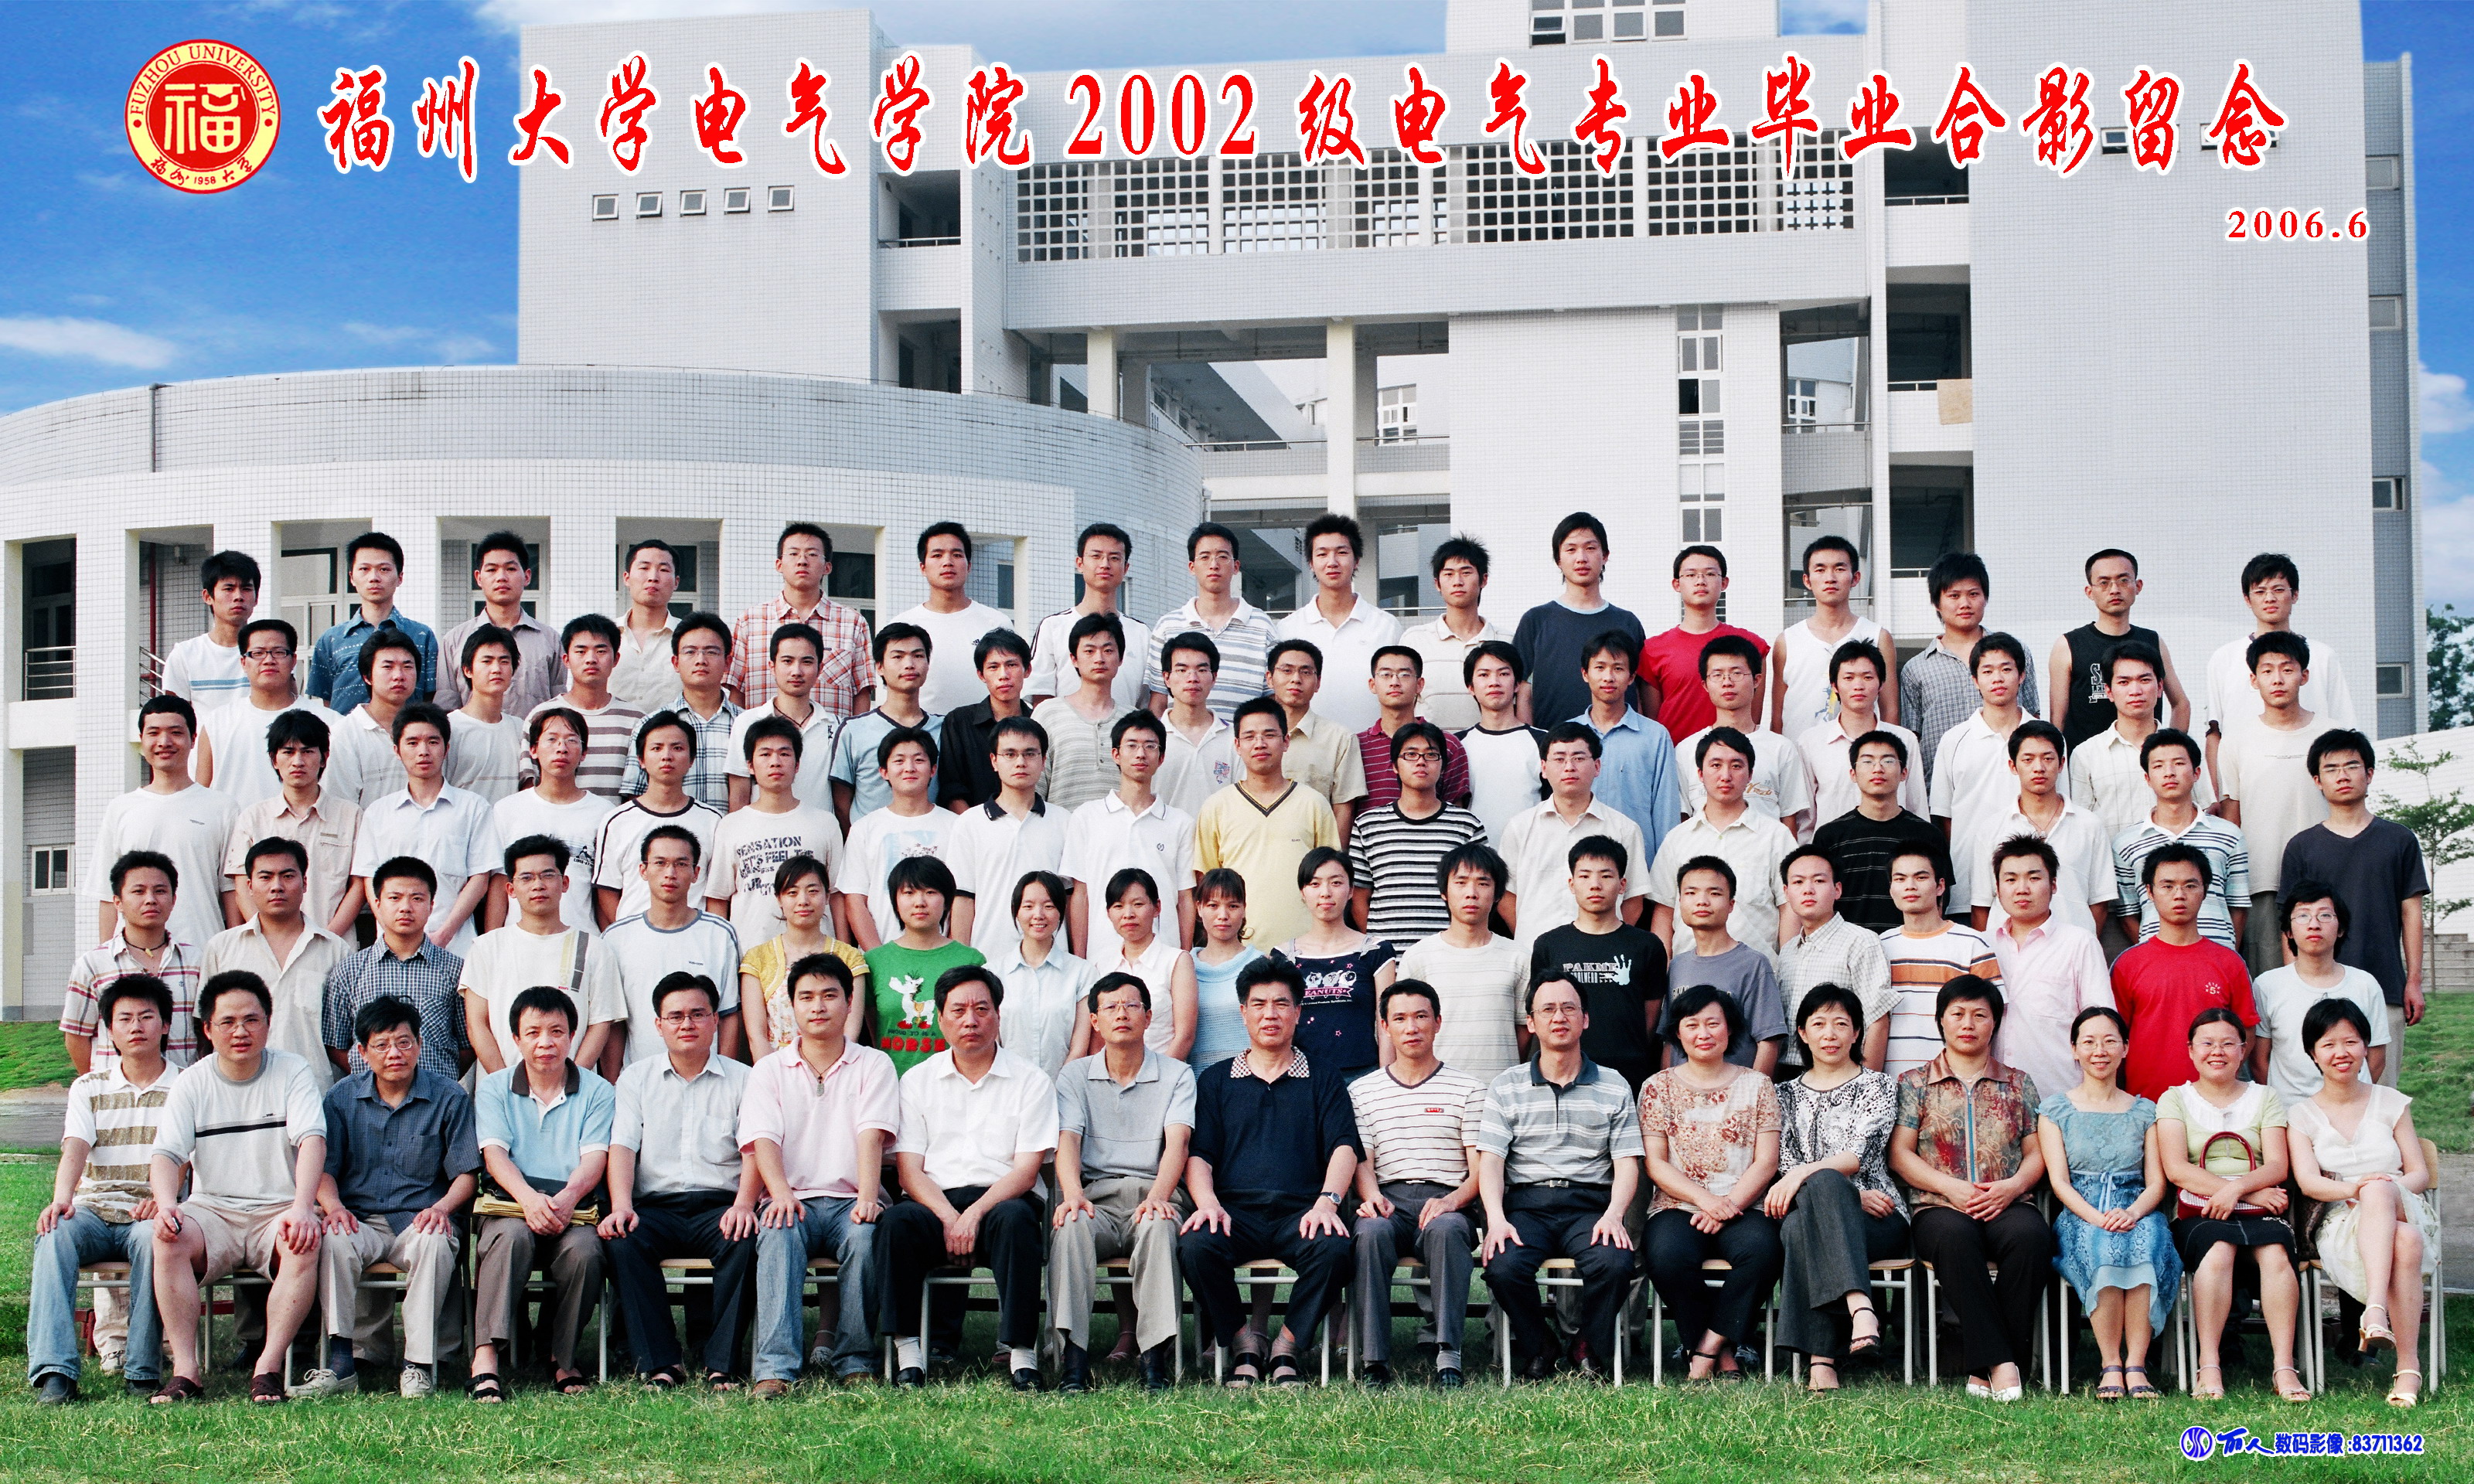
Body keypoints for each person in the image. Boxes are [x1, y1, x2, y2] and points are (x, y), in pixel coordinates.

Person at [144, 970, 329, 1405]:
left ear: (268, 1022)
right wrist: (167, 1205)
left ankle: (268, 1369)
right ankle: (186, 1372)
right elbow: (166, 1155)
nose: (240, 1031)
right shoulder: (193, 1081)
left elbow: (312, 1140)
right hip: (213, 1211)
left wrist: (303, 1207)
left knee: (303, 1240)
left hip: (278, 1209)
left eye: (251, 1020)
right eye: (227, 1022)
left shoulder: (293, 1070)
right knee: (169, 1237)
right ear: (208, 1029)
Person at [1180, 957, 1361, 1389]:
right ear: (1243, 1012)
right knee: (1195, 1246)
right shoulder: (1216, 1080)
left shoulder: (1323, 1077)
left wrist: (1327, 1203)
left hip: (1301, 1212)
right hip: (1234, 1212)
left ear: (1298, 1012)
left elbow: (1344, 1147)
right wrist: (1207, 1203)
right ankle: (1243, 1343)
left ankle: (1286, 1346)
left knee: (1335, 1249)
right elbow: (1199, 1154)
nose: (1270, 1014)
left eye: (1281, 1004)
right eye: (1259, 1004)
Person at [293, 995, 479, 1400]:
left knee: (435, 1242)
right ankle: (341, 1363)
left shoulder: (449, 1097)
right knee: (333, 1238)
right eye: (381, 1045)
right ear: (362, 1052)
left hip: (420, 1219)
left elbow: (466, 1174)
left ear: (419, 1045)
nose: (394, 1053)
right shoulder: (341, 1098)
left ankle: (418, 1366)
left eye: (404, 1042)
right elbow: (324, 1168)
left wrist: (442, 1208)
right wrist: (334, 1207)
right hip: (360, 1219)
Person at [881, 965, 1058, 1389]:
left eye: (982, 1009)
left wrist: (973, 1215)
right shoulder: (917, 1080)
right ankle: (909, 1352)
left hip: (1002, 1199)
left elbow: (1026, 1171)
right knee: (896, 1224)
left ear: (998, 1015)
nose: (971, 1021)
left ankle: (1021, 1354)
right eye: (958, 1011)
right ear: (940, 1020)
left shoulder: (1030, 1081)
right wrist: (949, 1217)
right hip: (934, 1200)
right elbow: (909, 1170)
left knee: (1016, 1222)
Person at [1888, 975, 2052, 1401]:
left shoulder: (2018, 1083)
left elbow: (2037, 1152)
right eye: (1957, 1014)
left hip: (2007, 1201)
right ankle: (2004, 1364)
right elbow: (1901, 1154)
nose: (1968, 1024)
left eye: (1980, 1015)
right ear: (1940, 1020)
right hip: (1938, 1206)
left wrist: (2013, 1187)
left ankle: (1984, 1367)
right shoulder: (1914, 1082)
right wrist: (1951, 1189)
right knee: (1955, 1239)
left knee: (2031, 1238)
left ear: (1994, 1023)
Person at [741, 952, 898, 1393]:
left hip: (852, 1199)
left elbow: (872, 1135)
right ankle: (775, 1368)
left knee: (866, 1239)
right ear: (792, 1005)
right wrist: (780, 1193)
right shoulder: (769, 1069)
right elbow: (763, 1139)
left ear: (849, 1003)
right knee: (777, 1234)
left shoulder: (874, 1064)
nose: (818, 1006)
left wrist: (868, 1197)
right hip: (793, 1199)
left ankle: (855, 1359)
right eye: (806, 997)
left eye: (830, 996)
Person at [1476, 975, 1642, 1382]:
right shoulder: (1506, 1086)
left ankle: (1587, 1344)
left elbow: (1626, 1163)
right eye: (1547, 1009)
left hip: (1590, 1207)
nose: (1559, 1017)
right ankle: (1540, 1345)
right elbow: (1491, 1162)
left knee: (1615, 1262)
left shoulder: (1614, 1084)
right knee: (1503, 1266)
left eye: (1569, 1008)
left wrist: (1615, 1214)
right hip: (1526, 1206)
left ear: (1585, 1019)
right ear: (1531, 1023)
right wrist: (1496, 1219)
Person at [599, 972, 760, 1389]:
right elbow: (623, 1147)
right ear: (658, 1025)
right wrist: (621, 1206)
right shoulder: (636, 1078)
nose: (687, 1024)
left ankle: (721, 1363)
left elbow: (754, 1150)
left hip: (720, 1206)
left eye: (697, 1014)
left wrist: (744, 1204)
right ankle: (662, 1362)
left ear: (715, 1021)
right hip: (656, 1207)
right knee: (623, 1240)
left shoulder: (745, 1078)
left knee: (744, 1240)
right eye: (675, 1016)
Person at [29, 974, 175, 1404]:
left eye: (146, 1016)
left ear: (166, 1024)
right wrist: (61, 1199)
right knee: (54, 1234)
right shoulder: (89, 1087)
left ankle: (143, 1370)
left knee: (155, 1240)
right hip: (92, 1210)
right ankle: (55, 1372)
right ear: (109, 1030)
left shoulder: (187, 1084)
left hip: (149, 1211)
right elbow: (75, 1147)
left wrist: (163, 1200)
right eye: (124, 1019)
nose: (136, 1027)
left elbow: (189, 1156)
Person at [2285, 1000, 2437, 1409]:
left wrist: (2381, 1188)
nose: (2341, 1052)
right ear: (2313, 1053)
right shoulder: (2300, 1115)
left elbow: (2419, 1174)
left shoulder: (2391, 1102)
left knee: (2379, 1192)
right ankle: (2408, 1368)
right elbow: (2309, 1182)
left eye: (2351, 1041)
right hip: (2340, 1221)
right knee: (2405, 1241)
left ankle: (2374, 1311)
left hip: (2403, 1204)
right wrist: (2357, 1189)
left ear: (2366, 1046)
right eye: (2329, 1044)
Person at [1050, 971, 1197, 1391]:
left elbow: (1178, 1142)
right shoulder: (1074, 1076)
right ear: (1095, 1021)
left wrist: (1159, 1196)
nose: (1122, 1014)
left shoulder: (1177, 1074)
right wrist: (1072, 1195)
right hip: (1095, 1199)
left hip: (1154, 1194)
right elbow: (1067, 1140)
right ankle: (1073, 1360)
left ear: (1148, 1017)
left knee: (1157, 1227)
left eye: (1132, 1006)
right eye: (1111, 1007)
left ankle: (1155, 1360)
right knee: (1070, 1226)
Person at [469, 985, 614, 1401]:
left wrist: (565, 1200)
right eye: (533, 1032)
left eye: (556, 1031)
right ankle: (485, 1358)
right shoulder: (494, 1088)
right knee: (510, 1239)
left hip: (574, 1206)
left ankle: (560, 1356)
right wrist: (530, 1201)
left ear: (573, 1036)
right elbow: (495, 1156)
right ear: (516, 1038)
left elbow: (595, 1158)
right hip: (509, 1203)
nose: (545, 1043)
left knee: (586, 1252)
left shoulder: (598, 1090)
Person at [2156, 1007, 2305, 1403]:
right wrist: (2246, 1192)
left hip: (2260, 1212)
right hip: (2201, 1211)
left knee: (2275, 1254)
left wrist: (2236, 1190)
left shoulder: (2265, 1097)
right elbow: (2177, 1169)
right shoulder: (2174, 1099)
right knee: (2219, 1250)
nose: (2217, 1052)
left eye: (2227, 1043)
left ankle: (2284, 1366)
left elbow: (2277, 1165)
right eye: (2206, 1043)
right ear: (2191, 1050)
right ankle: (2209, 1364)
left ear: (2243, 1049)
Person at [1640, 984, 1784, 1382]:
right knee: (1667, 1256)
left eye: (1713, 1023)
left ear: (1729, 1029)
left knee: (1763, 1252)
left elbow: (1767, 1161)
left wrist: (1729, 1204)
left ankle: (1706, 1348)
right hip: (1678, 1205)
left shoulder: (1758, 1085)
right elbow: (1656, 1163)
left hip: (1745, 1204)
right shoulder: (1657, 1087)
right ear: (1678, 1033)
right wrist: (1707, 1201)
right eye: (1692, 1025)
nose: (1703, 1033)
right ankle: (1724, 1356)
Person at [1348, 979, 1486, 1389]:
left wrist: (1453, 1201)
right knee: (1370, 1233)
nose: (1411, 1028)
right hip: (1387, 1197)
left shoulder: (1469, 1089)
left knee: (1447, 1230)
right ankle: (1374, 1360)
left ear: (1438, 1022)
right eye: (1400, 1018)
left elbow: (1481, 1168)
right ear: (1385, 1026)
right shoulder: (1363, 1091)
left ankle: (1448, 1355)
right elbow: (1362, 1160)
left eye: (1421, 1017)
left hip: (1447, 1199)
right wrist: (1372, 1197)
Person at [1766, 984, 1904, 1391]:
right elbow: (1785, 1161)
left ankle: (1821, 1360)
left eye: (1841, 1024)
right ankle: (1860, 1309)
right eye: (1819, 1024)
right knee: (1799, 1224)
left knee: (1809, 1211)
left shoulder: (1879, 1086)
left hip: (1880, 1217)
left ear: (1857, 1033)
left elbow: (1857, 1154)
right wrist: (1848, 1195)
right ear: (1803, 1033)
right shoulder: (1782, 1095)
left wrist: (1805, 1178)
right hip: (1832, 1208)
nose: (1830, 1034)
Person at [2036, 1006, 2178, 1401]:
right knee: (2103, 1246)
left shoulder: (2146, 1111)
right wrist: (2098, 1218)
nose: (2099, 1051)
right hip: (2081, 1212)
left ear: (2125, 1048)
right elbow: (2059, 1182)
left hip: (2137, 1208)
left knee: (2147, 1244)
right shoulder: (2055, 1110)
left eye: (2110, 1041)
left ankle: (2137, 1364)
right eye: (2089, 1042)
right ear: (2074, 1050)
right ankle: (2110, 1363)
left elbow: (2157, 1183)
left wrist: (2132, 1212)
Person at [2280, 729, 2427, 1087]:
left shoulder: (2399, 840)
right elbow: (2289, 923)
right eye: (2331, 769)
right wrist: (2292, 983)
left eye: (2352, 766)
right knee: (2315, 1091)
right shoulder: (2302, 847)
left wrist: (2413, 981)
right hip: (2316, 986)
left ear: (2370, 774)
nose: (2342, 776)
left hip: (2384, 983)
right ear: (2317, 781)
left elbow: (2412, 913)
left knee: (2380, 1090)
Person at [85, 696, 238, 955]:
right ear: (141, 739)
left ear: (193, 739)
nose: (164, 742)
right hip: (133, 959)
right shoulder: (121, 809)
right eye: (154, 733)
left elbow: (231, 892)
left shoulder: (223, 808)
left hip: (203, 953)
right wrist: (105, 960)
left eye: (175, 733)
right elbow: (107, 895)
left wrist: (234, 954)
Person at [2217, 631, 2329, 976]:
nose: (2277, 679)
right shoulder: (2236, 741)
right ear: (2254, 680)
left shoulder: (2331, 736)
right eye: (2267, 671)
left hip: (2324, 881)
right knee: (2268, 985)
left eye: (2287, 669)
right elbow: (2231, 819)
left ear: (2304, 675)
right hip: (2261, 882)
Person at [461, 836, 622, 1074]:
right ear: (511, 889)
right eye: (526, 878)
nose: (538, 885)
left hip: (572, 1090)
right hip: (500, 1088)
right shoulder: (486, 947)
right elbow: (477, 1025)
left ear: (565, 883)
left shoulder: (594, 949)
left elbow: (600, 1024)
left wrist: (571, 1083)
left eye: (548, 875)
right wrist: (504, 1085)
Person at [588, 825, 744, 1070]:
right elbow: (614, 1023)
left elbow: (729, 1016)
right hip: (640, 1080)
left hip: (708, 1078)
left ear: (696, 873)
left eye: (681, 864)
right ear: (643, 870)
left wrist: (726, 1077)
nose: (670, 873)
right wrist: (615, 1083)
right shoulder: (616, 938)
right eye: (660, 863)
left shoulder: (720, 934)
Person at [2112, 845, 2259, 1102]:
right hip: (2145, 1104)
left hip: (2213, 1105)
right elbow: (2115, 1036)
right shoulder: (2128, 964)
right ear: (2149, 892)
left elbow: (2246, 1031)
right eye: (2167, 886)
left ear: (2205, 891)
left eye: (2190, 886)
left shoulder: (2229, 962)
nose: (2179, 895)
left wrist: (2218, 1079)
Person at [1194, 695, 1342, 950]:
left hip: (1305, 947)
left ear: (1286, 742)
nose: (1260, 744)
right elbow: (1206, 882)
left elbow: (1332, 878)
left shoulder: (1313, 804)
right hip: (1238, 951)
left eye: (1269, 735)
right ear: (1237, 745)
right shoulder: (1216, 807)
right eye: (1249, 736)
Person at [352, 704, 500, 953]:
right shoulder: (378, 813)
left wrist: (443, 935)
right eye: (412, 743)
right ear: (397, 751)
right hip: (390, 950)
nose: (423, 751)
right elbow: (369, 879)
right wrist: (394, 934)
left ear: (446, 748)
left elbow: (480, 878)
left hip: (455, 947)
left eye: (433, 742)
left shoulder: (473, 808)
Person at [205, 838, 352, 1089]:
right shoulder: (222, 948)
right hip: (240, 1094)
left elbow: (347, 1035)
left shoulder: (335, 951)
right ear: (250, 886)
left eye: (287, 876)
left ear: (305, 883)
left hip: (316, 1092)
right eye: (266, 877)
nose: (277, 887)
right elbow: (206, 1030)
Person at [2203, 553, 2356, 794]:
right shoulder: (2224, 658)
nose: (2270, 598)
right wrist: (2218, 796)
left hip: (2313, 785)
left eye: (2278, 589)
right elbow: (2215, 734)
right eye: (2260, 591)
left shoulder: (2323, 656)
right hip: (2246, 787)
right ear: (2247, 599)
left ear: (2295, 595)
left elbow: (2345, 730)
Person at [1528, 837, 1667, 1093]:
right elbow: (1541, 1013)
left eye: (1606, 876)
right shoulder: (1549, 945)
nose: (1595, 885)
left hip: (1629, 1073)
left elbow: (1650, 1018)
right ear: (1571, 884)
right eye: (1584, 876)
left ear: (1622, 884)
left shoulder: (1647, 946)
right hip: (1564, 1073)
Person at [1953, 721, 2118, 935]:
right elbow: (1981, 906)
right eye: (2028, 760)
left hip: (2071, 949)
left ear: (2061, 764)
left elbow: (2100, 901)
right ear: (2013, 766)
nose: (2039, 768)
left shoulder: (2089, 825)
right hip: (2009, 950)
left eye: (2048, 758)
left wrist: (2081, 943)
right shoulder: (1991, 829)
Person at [1985, 836, 2115, 1101]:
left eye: (2034, 878)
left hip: (2061, 1097)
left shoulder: (2079, 943)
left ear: (2053, 885)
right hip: (1993, 1100)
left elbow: (2101, 1024)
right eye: (2011, 879)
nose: (2022, 889)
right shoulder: (1984, 945)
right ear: (1997, 889)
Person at [1899, 553, 2041, 791]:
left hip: (2011, 785)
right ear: (1937, 603)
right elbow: (1913, 738)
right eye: (1954, 596)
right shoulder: (1916, 669)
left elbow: (2032, 716)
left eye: (1973, 594)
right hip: (1943, 789)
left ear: (1985, 598)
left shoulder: (2016, 652)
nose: (1965, 604)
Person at [1062, 710, 1196, 962]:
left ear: (1161, 757)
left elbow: (1185, 898)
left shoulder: (1181, 823)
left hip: (1164, 958)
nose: (1141, 754)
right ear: (1116, 754)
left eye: (1150, 746)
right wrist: (1080, 961)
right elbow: (1081, 895)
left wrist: (1184, 958)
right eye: (1132, 745)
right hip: (1102, 958)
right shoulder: (1086, 817)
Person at [321, 857, 470, 1081]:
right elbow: (336, 1044)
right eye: (395, 898)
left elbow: (468, 1044)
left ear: (431, 906)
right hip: (368, 1097)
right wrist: (376, 1080)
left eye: (417, 898)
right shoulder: (350, 970)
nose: (405, 908)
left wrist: (439, 1083)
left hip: (436, 1096)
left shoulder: (455, 970)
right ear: (377, 904)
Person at [1498, 723, 1651, 942]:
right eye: (1559, 759)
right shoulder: (1519, 827)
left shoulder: (1624, 829)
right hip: (1534, 952)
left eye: (1579, 758)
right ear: (1544, 768)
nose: (1569, 767)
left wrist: (1607, 943)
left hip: (1601, 953)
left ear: (1597, 766)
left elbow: (1634, 899)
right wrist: (1531, 943)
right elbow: (1506, 896)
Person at [1650, 730, 1795, 956]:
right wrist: (1664, 967)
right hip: (1689, 971)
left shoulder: (1776, 836)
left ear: (1750, 774)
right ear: (1700, 773)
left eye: (1736, 766)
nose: (1725, 776)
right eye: (1716, 765)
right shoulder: (1678, 838)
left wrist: (1786, 966)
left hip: (1757, 971)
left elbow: (1789, 908)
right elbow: (1664, 911)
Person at [703, 714, 847, 939]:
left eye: (784, 754)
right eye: (765, 754)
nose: (775, 762)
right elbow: (718, 899)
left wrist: (843, 952)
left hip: (817, 953)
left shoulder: (825, 823)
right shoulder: (731, 826)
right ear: (750, 766)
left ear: (797, 765)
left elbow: (837, 895)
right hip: (751, 952)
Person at [220, 710, 360, 938]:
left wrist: (326, 939)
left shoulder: (351, 816)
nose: (298, 761)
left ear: (324, 757)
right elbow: (243, 887)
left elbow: (359, 886)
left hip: (335, 945)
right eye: (288, 752)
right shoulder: (253, 818)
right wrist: (270, 937)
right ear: (274, 759)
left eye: (307, 751)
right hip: (267, 946)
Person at [1399, 842, 1527, 1084]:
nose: (1471, 893)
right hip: (1435, 1088)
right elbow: (1404, 1027)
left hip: (1499, 1091)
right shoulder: (1418, 957)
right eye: (1461, 882)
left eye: (1483, 883)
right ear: (1444, 892)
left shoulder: (1518, 956)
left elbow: (1524, 1028)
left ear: (1498, 894)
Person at [64, 851, 202, 1076]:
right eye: (138, 891)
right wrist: (96, 1085)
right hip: (116, 1093)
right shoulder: (92, 965)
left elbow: (206, 1032)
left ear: (173, 900)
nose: (150, 899)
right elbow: (76, 1036)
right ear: (118, 902)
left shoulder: (196, 961)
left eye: (160, 891)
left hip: (183, 1087)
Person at [2111, 728, 2249, 951]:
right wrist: (2155, 951)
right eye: (2158, 766)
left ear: (2196, 773)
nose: (2169, 773)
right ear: (2147, 778)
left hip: (2217, 955)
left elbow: (2238, 906)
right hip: (2157, 960)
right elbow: (2128, 913)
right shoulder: (2125, 843)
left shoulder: (2229, 835)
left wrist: (2227, 954)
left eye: (2178, 763)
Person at [1348, 721, 1486, 945]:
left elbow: (1481, 893)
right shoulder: (1368, 825)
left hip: (1449, 954)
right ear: (1395, 765)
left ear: (1443, 766)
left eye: (1431, 755)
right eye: (1411, 755)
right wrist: (1379, 949)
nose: (1421, 762)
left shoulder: (1467, 826)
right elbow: (1359, 898)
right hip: (1388, 958)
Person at [2251, 883, 2390, 1102]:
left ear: (2340, 928)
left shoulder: (2365, 984)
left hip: (2351, 1109)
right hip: (2289, 1110)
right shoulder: (2267, 985)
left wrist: (2347, 1100)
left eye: (2325, 915)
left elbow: (2377, 1057)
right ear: (2289, 931)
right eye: (2303, 916)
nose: (2314, 925)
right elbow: (2259, 1060)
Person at [938, 715, 1062, 958]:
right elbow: (963, 899)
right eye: (1010, 754)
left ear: (1043, 760)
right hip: (988, 958)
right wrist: (964, 963)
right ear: (994, 761)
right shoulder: (969, 823)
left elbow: (1072, 897)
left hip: (1053, 959)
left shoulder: (1064, 822)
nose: (1020, 762)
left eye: (1030, 753)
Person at [488, 708, 617, 936]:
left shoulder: (604, 813)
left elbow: (604, 891)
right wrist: (492, 941)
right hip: (519, 940)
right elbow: (499, 885)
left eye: (571, 740)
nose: (561, 748)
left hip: (581, 938)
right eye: (552, 739)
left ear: (584, 752)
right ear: (533, 750)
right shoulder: (507, 810)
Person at [2066, 642, 2211, 843]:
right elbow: (2081, 825)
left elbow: (2206, 809)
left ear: (2160, 687)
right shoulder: (2086, 754)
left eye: (2144, 680)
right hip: (2115, 860)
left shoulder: (2183, 749)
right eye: (2124, 682)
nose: (2135, 690)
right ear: (2109, 691)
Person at [590, 710, 724, 928]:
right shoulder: (617, 820)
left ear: (691, 759)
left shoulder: (713, 821)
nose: (667, 756)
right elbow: (607, 890)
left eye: (677, 748)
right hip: (633, 938)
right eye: (656, 748)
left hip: (694, 937)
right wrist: (630, 933)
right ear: (641, 759)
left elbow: (716, 893)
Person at [728, 523, 874, 721]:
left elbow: (861, 692)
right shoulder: (750, 622)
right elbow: (736, 691)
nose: (802, 561)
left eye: (812, 554)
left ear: (827, 567)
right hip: (765, 738)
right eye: (793, 554)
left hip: (829, 738)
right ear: (779, 564)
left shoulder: (852, 623)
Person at [1514, 512, 1645, 733]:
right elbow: (1523, 693)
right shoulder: (1536, 621)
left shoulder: (1627, 622)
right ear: (1558, 560)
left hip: (1619, 742)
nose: (1581, 558)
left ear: (1605, 556)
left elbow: (1639, 693)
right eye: (1571, 549)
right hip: (1554, 747)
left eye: (1590, 548)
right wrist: (1531, 741)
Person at [1276, 848, 1399, 1079]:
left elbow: (1387, 1025)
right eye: (1315, 884)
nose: (1325, 893)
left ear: (1351, 890)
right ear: (1303, 892)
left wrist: (1385, 1082)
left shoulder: (1375, 951)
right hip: (1302, 1080)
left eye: (1336, 883)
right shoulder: (1284, 956)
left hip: (1362, 1077)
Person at [1879, 844, 2001, 1077]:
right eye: (1900, 879)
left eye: (1921, 877)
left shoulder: (1973, 944)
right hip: (1890, 1080)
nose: (1910, 886)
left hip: (1955, 1082)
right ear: (1891, 888)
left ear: (1940, 886)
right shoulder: (1879, 946)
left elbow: (1993, 1021)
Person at [1273, 512, 1402, 734]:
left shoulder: (1387, 627)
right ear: (1311, 563)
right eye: (1322, 554)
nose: (1332, 562)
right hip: (1305, 748)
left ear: (1356, 560)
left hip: (1372, 748)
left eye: (1342, 553)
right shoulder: (1288, 629)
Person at [2049, 550, 2191, 749]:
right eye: (2104, 582)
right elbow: (2057, 721)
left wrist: (2167, 751)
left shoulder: (2152, 641)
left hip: (2144, 760)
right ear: (2089, 591)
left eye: (2123, 580)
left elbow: (2181, 704)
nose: (2114, 589)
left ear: (2138, 586)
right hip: (2086, 762)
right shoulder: (2068, 645)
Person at [1658, 858, 1789, 1074]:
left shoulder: (1753, 964)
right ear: (1680, 902)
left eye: (1714, 893)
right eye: (1691, 893)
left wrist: (1755, 1090)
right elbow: (1670, 1040)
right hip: (1683, 1090)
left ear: (1731, 905)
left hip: (1735, 1089)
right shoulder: (1678, 965)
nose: (1702, 901)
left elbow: (1769, 1041)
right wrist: (1667, 1085)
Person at [859, 855, 984, 1075]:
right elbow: (872, 1024)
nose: (920, 902)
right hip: (891, 1081)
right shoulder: (874, 961)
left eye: (930, 892)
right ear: (895, 901)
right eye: (909, 893)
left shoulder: (971, 961)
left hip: (952, 1081)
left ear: (947, 900)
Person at [836, 728, 959, 950]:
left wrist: (950, 952)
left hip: (942, 955)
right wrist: (880, 957)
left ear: (933, 769)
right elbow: (855, 901)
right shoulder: (864, 829)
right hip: (881, 954)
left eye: (919, 760)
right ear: (884, 771)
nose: (909, 768)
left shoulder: (956, 826)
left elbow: (963, 898)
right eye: (899, 761)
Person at [1678, 635, 1813, 833]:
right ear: (1705, 685)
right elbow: (1683, 819)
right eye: (1717, 675)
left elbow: (1789, 818)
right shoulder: (1686, 750)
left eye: (1736, 673)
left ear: (1757, 680)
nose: (1727, 682)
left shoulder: (1781, 748)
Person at [1776, 845, 1893, 1072]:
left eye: (1819, 881)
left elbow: (1878, 1021)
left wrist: (1867, 1084)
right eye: (1798, 882)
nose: (1808, 890)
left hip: (1840, 1072)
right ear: (1786, 892)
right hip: (1787, 1074)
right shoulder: (1788, 951)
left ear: (1837, 889)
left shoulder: (1861, 941)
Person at [195, 618, 337, 806]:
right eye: (258, 653)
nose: (269, 660)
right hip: (235, 825)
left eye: (279, 652)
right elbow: (201, 793)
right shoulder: (217, 722)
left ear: (293, 661)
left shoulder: (331, 722)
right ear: (243, 662)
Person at [738, 855, 870, 1055]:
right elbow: (757, 1037)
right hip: (777, 1068)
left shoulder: (850, 958)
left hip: (837, 1066)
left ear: (827, 896)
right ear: (779, 899)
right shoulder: (757, 959)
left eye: (813, 891)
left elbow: (850, 1034)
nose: (803, 901)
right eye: (792, 892)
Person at [1811, 730, 1944, 931]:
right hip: (1848, 945)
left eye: (1888, 761)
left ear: (1904, 773)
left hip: (1910, 943)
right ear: (1853, 774)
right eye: (1867, 761)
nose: (1878, 769)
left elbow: (1939, 901)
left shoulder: (1928, 835)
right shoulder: (1830, 836)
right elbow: (1820, 901)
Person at [1144, 521, 1276, 721]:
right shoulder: (1168, 626)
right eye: (1205, 557)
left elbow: (1273, 698)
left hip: (1244, 740)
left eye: (1222, 557)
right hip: (1180, 739)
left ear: (1236, 566)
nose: (1214, 565)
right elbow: (1158, 701)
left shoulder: (1262, 625)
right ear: (1192, 567)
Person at [1770, 535, 1897, 737]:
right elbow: (1777, 716)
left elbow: (1890, 709)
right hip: (1799, 752)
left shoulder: (1878, 636)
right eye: (1820, 570)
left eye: (1839, 569)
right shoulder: (1787, 641)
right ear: (1807, 580)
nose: (1830, 578)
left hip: (1862, 751)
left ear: (1855, 578)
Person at [1638, 544, 1767, 740]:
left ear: (1724, 583)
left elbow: (1753, 718)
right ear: (1676, 584)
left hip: (1734, 755)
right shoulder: (1652, 650)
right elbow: (1652, 723)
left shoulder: (1751, 645)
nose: (1700, 581)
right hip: (1675, 754)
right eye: (1691, 575)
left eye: (1710, 574)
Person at [1798, 641, 1926, 829]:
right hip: (1832, 846)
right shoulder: (1811, 742)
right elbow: (1806, 819)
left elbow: (1917, 807)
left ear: (1881, 684)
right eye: (1848, 678)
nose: (1858, 686)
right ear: (1834, 686)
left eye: (1867, 677)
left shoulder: (1905, 740)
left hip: (1893, 845)